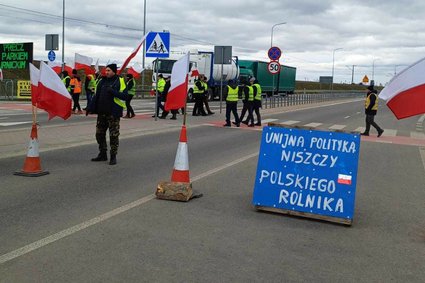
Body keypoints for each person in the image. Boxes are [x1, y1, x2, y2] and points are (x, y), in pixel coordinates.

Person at [86, 63, 128, 165]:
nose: (106, 72)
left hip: (113, 113)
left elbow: (125, 96)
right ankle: (102, 154)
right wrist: (90, 107)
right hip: (102, 112)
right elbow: (96, 96)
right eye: (106, 70)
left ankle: (113, 156)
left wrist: (113, 91)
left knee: (113, 136)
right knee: (99, 134)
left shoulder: (120, 81)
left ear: (114, 71)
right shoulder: (101, 81)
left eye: (109, 70)